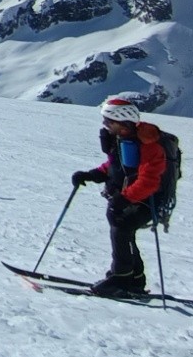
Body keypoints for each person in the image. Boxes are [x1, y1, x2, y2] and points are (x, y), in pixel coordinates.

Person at [71, 96, 168, 297]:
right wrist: (92, 174)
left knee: (122, 229)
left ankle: (122, 278)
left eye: (108, 121)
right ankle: (134, 278)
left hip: (146, 200)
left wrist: (125, 198)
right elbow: (116, 167)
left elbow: (149, 180)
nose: (104, 125)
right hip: (132, 198)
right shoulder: (125, 141)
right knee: (123, 231)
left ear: (122, 123)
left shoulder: (149, 146)